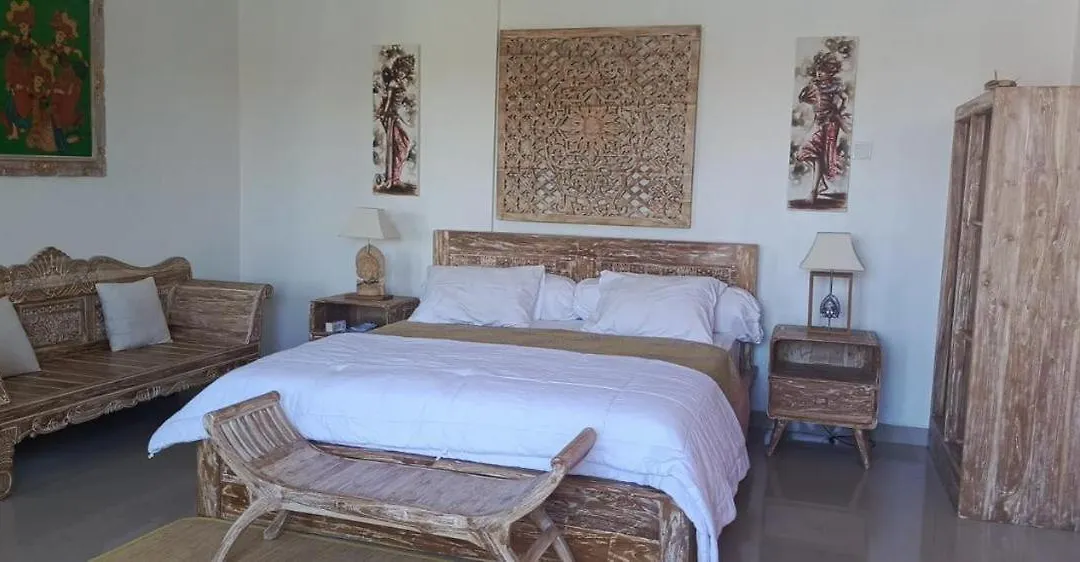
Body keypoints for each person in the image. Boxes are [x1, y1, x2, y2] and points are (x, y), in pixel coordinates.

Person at [795, 52, 850, 204]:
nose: (819, 73)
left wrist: (838, 110)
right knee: (808, 154)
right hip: (818, 123)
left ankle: (814, 191)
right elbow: (802, 97)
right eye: (818, 70)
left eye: (823, 71)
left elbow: (844, 98)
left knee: (816, 155)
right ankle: (818, 185)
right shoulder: (816, 85)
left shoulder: (834, 86)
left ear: (830, 72)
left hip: (828, 125)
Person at [1, 0, 37, 142]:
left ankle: (22, 128)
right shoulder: (15, 43)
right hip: (16, 81)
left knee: (22, 108)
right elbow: (10, 62)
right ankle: (15, 132)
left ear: (29, 27)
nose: (22, 29)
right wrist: (11, 81)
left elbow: (33, 65)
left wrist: (28, 83)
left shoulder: (32, 45)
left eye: (24, 26)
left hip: (27, 82)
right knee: (10, 107)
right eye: (20, 26)